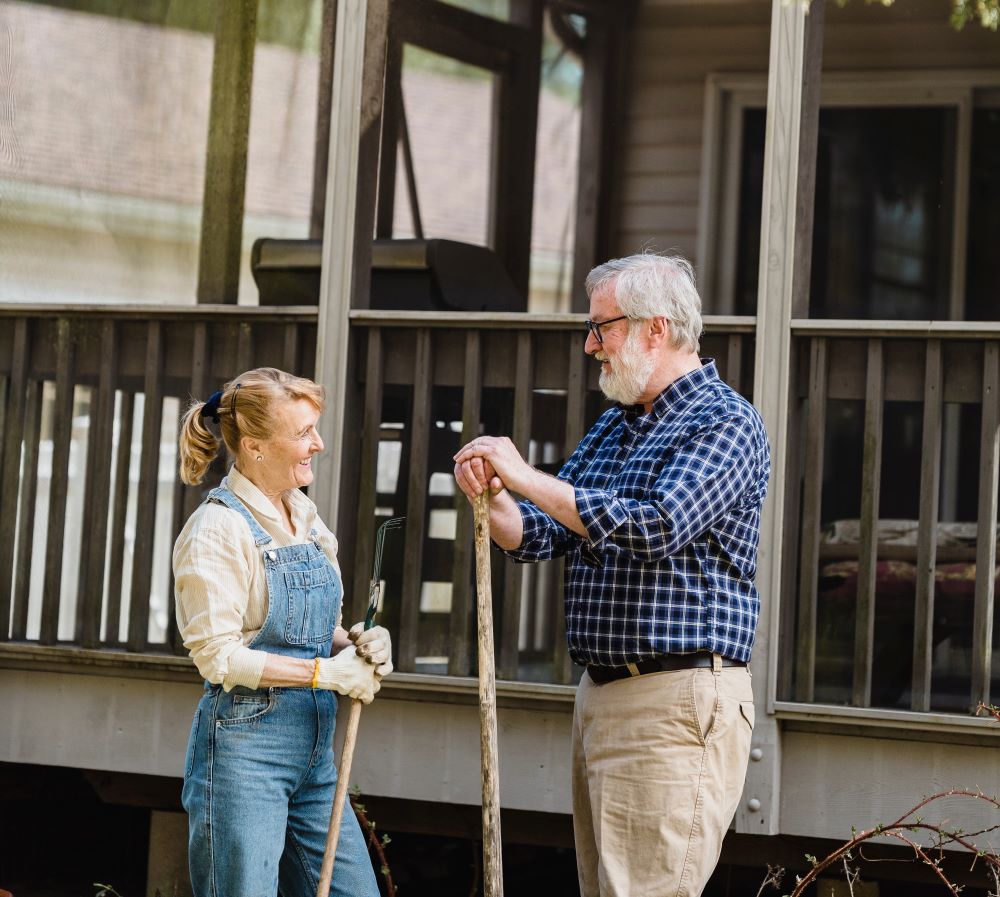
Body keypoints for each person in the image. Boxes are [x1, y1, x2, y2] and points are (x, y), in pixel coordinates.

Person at [453, 254, 770, 897]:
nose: (591, 344)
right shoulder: (618, 425)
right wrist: (494, 499)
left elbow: (655, 526)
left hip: (674, 699)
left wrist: (527, 476)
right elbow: (547, 530)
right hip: (603, 696)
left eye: (603, 327)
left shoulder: (725, 420)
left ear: (657, 327)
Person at [173, 367, 392, 897]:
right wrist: (325, 673)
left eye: (315, 428)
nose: (317, 443)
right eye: (302, 434)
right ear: (254, 447)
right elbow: (219, 658)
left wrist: (357, 642)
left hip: (314, 754)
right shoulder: (217, 529)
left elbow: (314, 628)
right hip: (244, 755)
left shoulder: (306, 517)